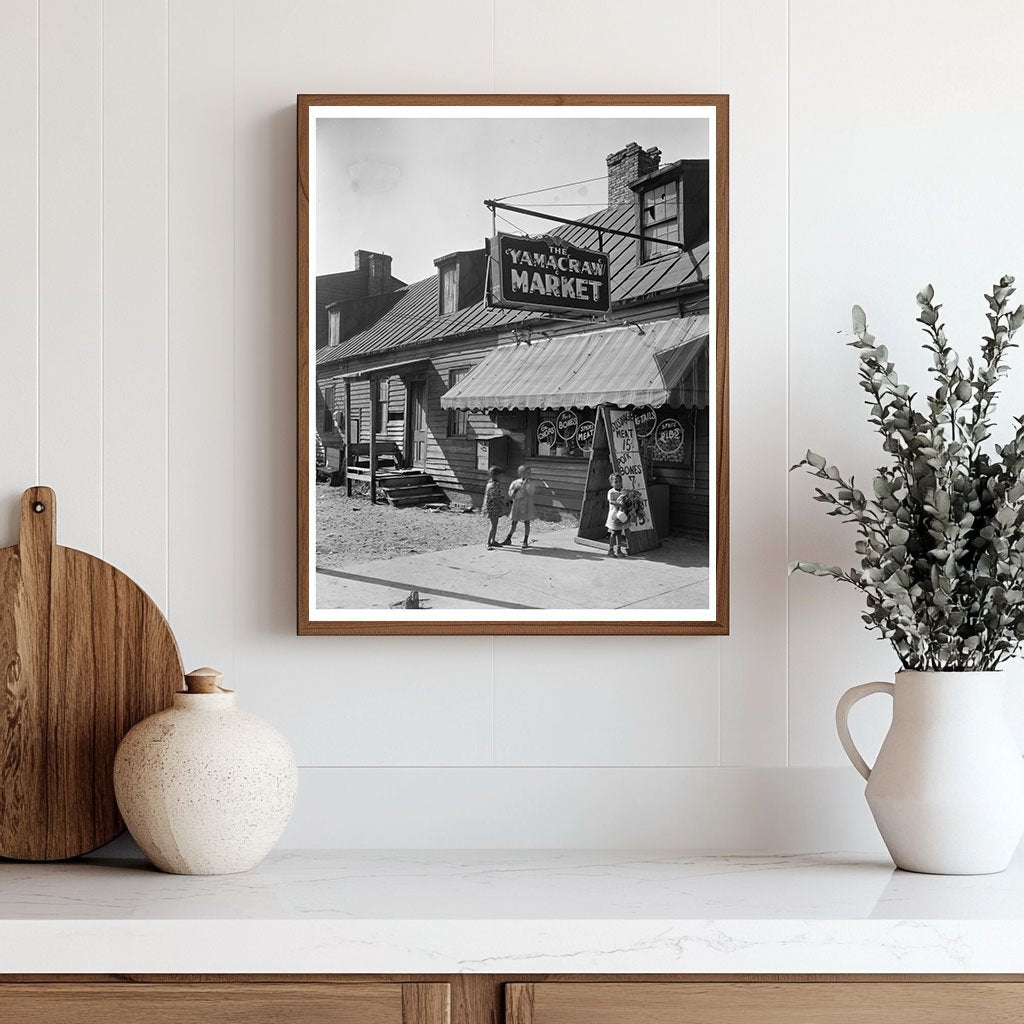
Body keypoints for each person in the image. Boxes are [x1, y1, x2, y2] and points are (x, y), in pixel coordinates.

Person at [500, 465, 537, 549]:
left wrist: (527, 485)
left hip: (527, 504)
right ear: (520, 473)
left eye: (529, 472)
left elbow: (531, 492)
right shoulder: (515, 482)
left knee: (527, 522)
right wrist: (515, 490)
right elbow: (510, 494)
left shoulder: (531, 483)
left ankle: (525, 540)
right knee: (514, 521)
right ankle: (508, 538)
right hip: (517, 504)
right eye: (526, 472)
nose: (528, 474)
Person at [606, 472, 629, 557]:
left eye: (620, 481)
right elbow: (611, 501)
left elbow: (626, 501)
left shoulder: (624, 492)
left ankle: (619, 550)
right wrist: (620, 504)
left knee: (619, 532)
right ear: (611, 483)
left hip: (621, 515)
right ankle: (610, 550)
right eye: (616, 482)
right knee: (613, 532)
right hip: (614, 516)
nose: (618, 483)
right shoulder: (611, 492)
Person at [482, 466, 505, 549]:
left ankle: (493, 541)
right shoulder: (495, 485)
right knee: (493, 525)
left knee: (495, 524)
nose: (501, 477)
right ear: (496, 475)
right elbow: (495, 497)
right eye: (500, 476)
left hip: (490, 507)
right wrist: (502, 502)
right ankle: (488, 542)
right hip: (493, 507)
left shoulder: (489, 483)